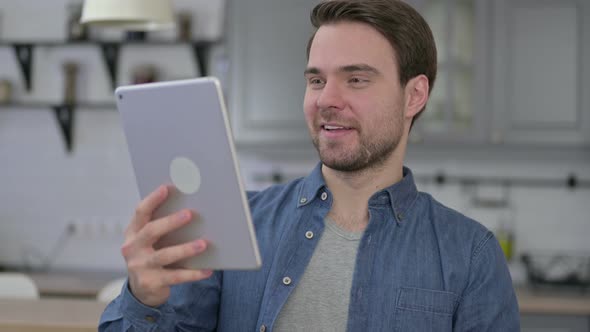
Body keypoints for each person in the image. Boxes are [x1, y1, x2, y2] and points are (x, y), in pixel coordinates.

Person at [99, 0, 520, 330]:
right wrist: (142, 297)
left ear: (414, 96)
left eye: (356, 79)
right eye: (316, 80)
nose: (326, 99)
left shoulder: (471, 255)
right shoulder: (234, 226)